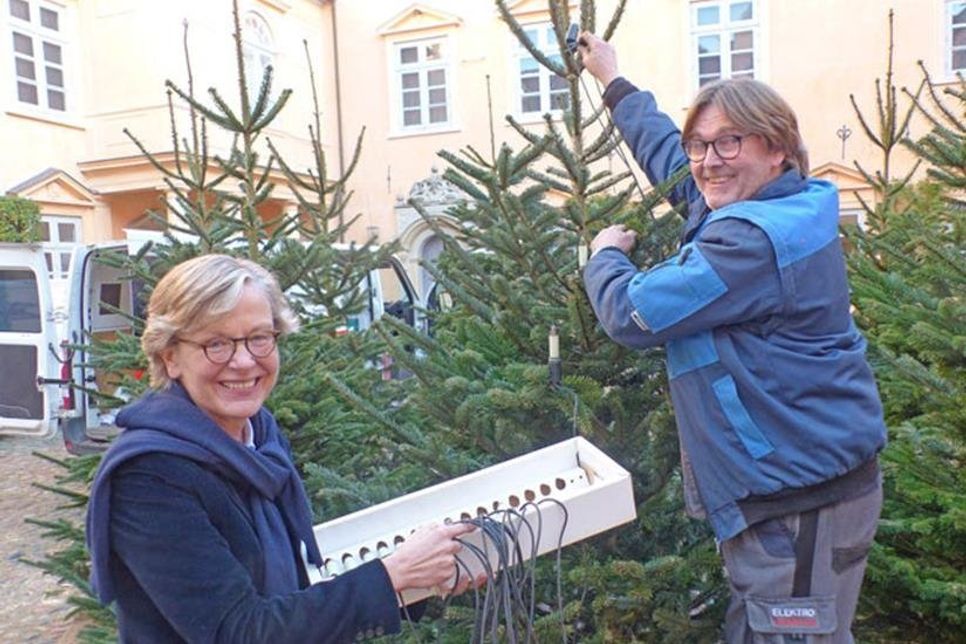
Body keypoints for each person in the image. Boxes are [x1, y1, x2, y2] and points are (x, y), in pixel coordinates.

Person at [577, 33, 887, 642]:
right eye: (699, 144)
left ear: (777, 148)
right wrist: (612, 81)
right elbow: (672, 162)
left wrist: (604, 255)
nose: (707, 160)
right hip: (794, 488)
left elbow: (632, 312)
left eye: (728, 142)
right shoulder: (778, 201)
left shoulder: (750, 242)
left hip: (799, 501)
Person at [86, 254, 476, 643]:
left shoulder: (260, 438)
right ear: (170, 357)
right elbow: (238, 633)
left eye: (259, 338)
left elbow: (298, 593)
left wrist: (424, 578)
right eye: (216, 344)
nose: (243, 361)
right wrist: (392, 576)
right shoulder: (149, 475)